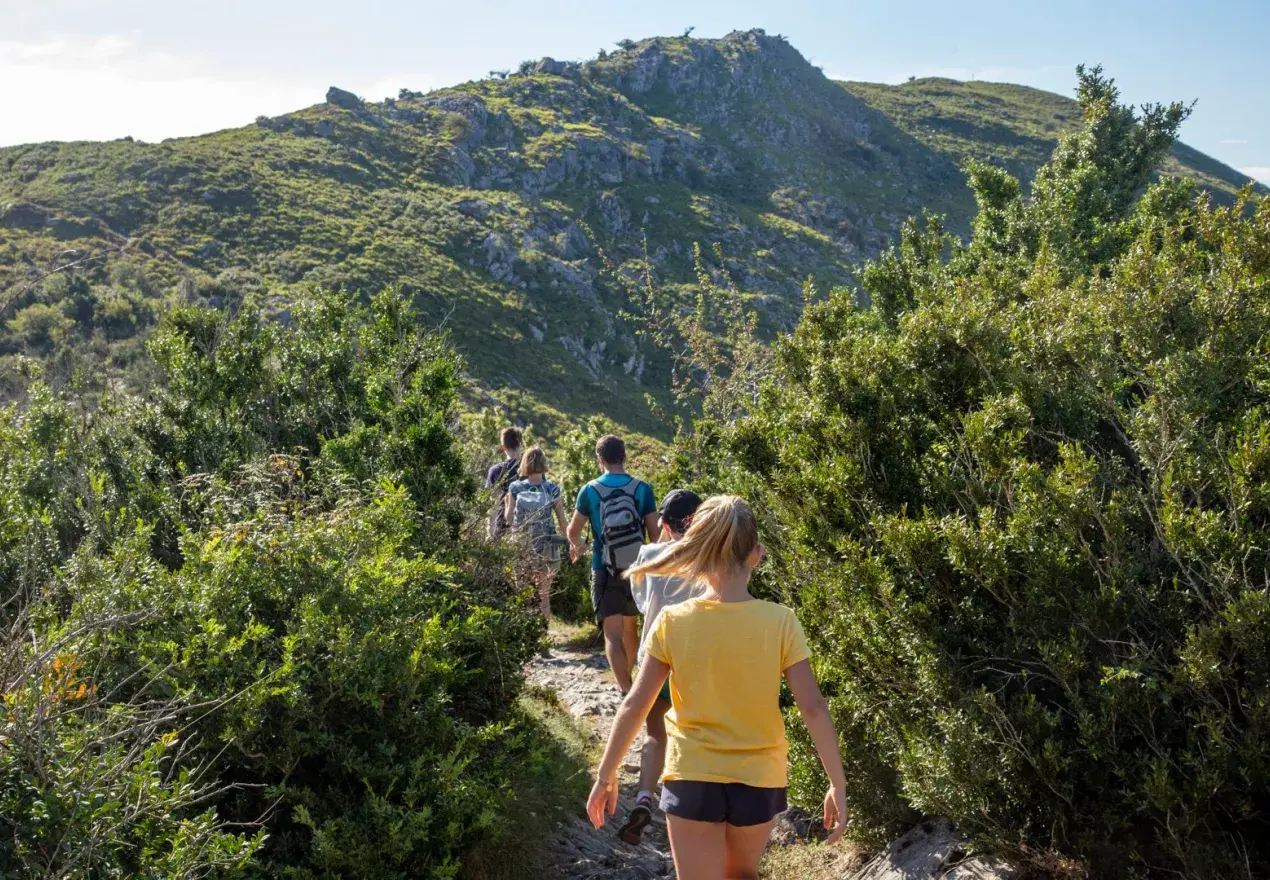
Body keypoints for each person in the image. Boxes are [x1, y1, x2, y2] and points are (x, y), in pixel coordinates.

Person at [586, 495, 849, 879]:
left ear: (698, 555)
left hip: (692, 775)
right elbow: (813, 707)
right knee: (741, 875)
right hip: (759, 778)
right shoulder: (781, 621)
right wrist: (837, 784)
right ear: (756, 554)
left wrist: (605, 776)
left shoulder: (673, 622)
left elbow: (635, 705)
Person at [617, 488, 704, 845]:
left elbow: (640, 604)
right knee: (694, 735)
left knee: (655, 733)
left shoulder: (649, 555)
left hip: (655, 658)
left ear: (663, 524)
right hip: (695, 660)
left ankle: (643, 798)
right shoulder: (709, 560)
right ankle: (692, 807)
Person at [566, 434, 658, 695]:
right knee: (631, 629)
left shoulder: (589, 490)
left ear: (600, 459)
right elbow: (656, 535)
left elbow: (573, 531)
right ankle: (631, 686)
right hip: (637, 569)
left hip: (604, 567)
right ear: (624, 457)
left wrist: (580, 546)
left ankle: (624, 689)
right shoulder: (642, 489)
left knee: (612, 633)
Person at [504, 447, 569, 620]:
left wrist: (506, 506)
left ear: (524, 464)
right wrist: (575, 543)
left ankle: (526, 637)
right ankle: (544, 637)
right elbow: (562, 522)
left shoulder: (515, 487)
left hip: (522, 546)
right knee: (544, 595)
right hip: (548, 546)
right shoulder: (552, 489)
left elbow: (509, 519)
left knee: (523, 594)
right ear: (544, 464)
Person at [485, 426, 522, 540]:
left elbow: (492, 506)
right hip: (528, 528)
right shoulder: (533, 471)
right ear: (521, 444)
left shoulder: (495, 470)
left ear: (503, 447)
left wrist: (489, 535)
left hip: (502, 527)